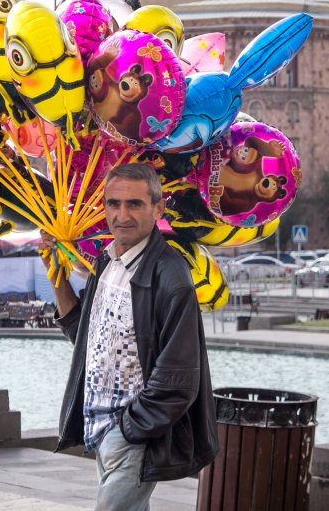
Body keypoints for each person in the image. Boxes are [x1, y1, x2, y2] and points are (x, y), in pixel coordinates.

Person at [40, 163, 218, 511]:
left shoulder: (171, 276)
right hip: (99, 426)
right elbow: (88, 339)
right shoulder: (106, 264)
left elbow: (179, 378)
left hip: (131, 433)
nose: (122, 215)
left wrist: (129, 428)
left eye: (134, 204)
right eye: (113, 203)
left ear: (158, 208)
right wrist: (57, 277)